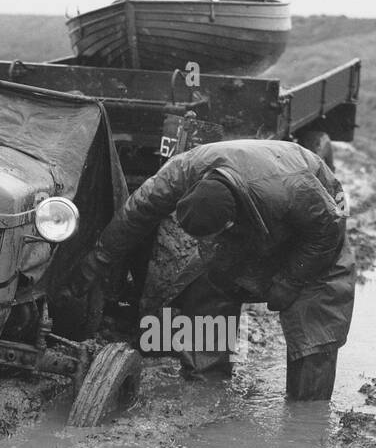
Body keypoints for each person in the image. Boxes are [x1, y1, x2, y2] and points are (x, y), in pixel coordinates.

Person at [76, 139, 355, 400]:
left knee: (315, 329)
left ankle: (306, 417)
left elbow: (328, 231)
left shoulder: (292, 188)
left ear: (230, 220)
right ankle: (206, 387)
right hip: (252, 213)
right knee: (207, 285)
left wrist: (292, 279)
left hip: (317, 230)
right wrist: (96, 262)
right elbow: (134, 215)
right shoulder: (180, 173)